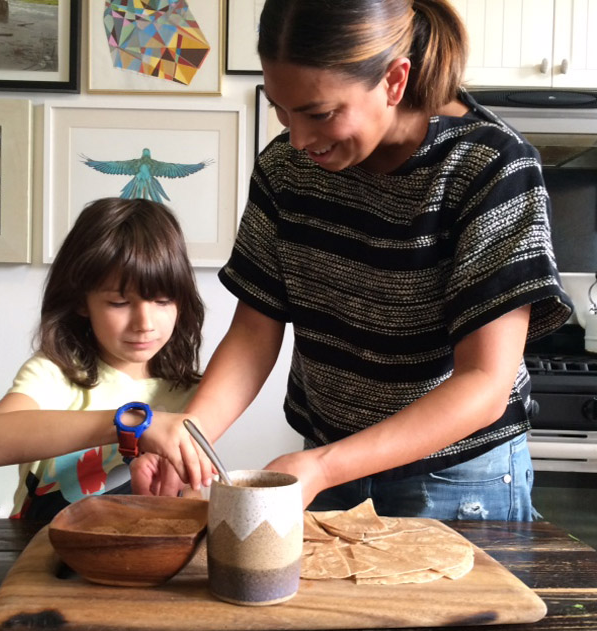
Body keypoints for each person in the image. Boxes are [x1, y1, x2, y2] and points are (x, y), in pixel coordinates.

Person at [132, 0, 573, 521]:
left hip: (455, 479)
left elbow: (485, 384)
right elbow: (254, 333)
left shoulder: (489, 168)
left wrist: (322, 467)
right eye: (280, 108)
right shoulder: (286, 168)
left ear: (394, 79)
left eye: (319, 113)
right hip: (326, 461)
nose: (297, 138)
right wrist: (192, 434)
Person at [0, 197, 213, 520]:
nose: (145, 323)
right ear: (82, 301)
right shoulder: (55, 373)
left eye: (163, 300)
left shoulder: (196, 395)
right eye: (118, 302)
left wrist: (160, 496)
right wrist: (133, 424)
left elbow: (193, 501)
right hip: (38, 559)